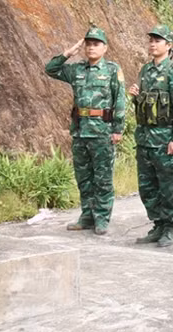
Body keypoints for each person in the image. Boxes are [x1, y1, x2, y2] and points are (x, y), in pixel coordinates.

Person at [45, 26, 126, 235]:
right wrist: (68, 53)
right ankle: (87, 216)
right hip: (80, 131)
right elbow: (50, 69)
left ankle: (101, 218)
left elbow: (120, 100)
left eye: (96, 44)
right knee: (84, 177)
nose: (91, 47)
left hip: (102, 131)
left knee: (103, 178)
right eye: (88, 44)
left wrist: (117, 129)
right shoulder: (77, 70)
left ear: (105, 48)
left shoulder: (111, 70)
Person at [129, 25, 173, 247]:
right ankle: (157, 224)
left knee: (167, 186)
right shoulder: (145, 70)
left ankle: (169, 227)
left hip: (165, 139)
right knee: (147, 186)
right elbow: (146, 106)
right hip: (145, 138)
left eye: (158, 40)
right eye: (151, 40)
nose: (153, 43)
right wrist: (136, 97)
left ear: (169, 45)